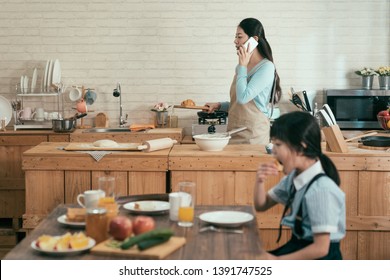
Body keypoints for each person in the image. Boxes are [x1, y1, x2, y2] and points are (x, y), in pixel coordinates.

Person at [253, 111, 346, 260]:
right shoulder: (293, 178)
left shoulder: (322, 190)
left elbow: (321, 248)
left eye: (278, 144)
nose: (273, 151)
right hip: (299, 246)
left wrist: (277, 261)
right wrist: (259, 181)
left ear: (301, 147)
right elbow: (261, 205)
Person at [205, 18, 282, 145]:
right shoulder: (241, 67)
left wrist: (242, 66)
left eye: (239, 37)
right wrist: (219, 105)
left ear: (254, 40)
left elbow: (243, 98)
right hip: (234, 131)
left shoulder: (266, 67)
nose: (235, 41)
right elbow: (240, 102)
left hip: (254, 135)